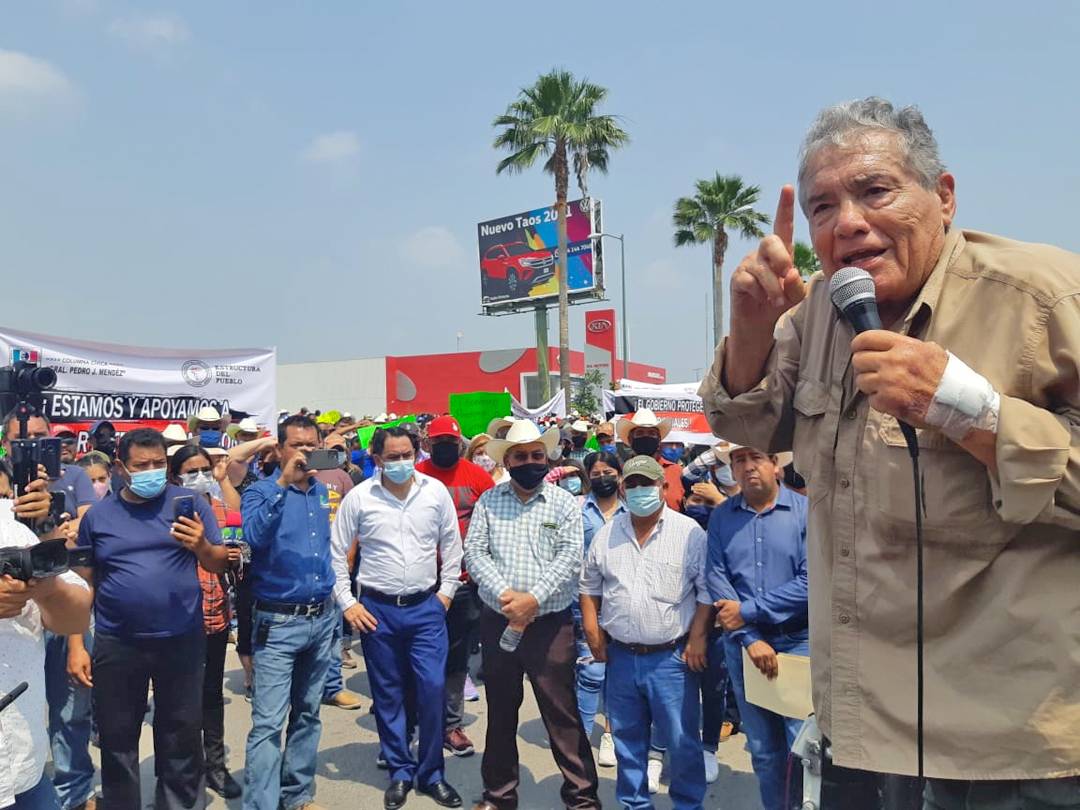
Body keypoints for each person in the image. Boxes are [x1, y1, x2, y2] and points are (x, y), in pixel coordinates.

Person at [698, 96, 1080, 807]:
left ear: (944, 196)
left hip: (1015, 751)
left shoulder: (1044, 298)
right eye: (822, 207)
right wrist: (750, 329)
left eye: (875, 191)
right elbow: (746, 425)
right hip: (867, 729)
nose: (846, 222)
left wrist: (970, 411)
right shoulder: (816, 312)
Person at [76, 428, 228, 810]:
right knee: (117, 737)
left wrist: (201, 545)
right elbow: (84, 584)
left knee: (181, 733)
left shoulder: (190, 504)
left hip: (181, 638)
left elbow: (219, 561)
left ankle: (177, 803)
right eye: (141, 465)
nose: (151, 471)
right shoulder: (98, 517)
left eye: (159, 464)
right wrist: (76, 643)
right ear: (120, 467)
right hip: (117, 642)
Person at [464, 420, 601, 810]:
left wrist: (532, 600)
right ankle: (499, 796)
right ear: (507, 461)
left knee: (562, 714)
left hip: (550, 627)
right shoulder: (489, 501)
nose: (530, 462)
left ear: (547, 458)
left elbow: (569, 558)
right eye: (521, 456)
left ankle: (582, 799)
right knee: (501, 712)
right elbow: (475, 553)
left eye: (536, 455)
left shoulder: (563, 503)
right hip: (499, 621)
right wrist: (508, 599)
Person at [332, 426, 465, 810]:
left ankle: (432, 773)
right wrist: (347, 603)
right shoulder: (360, 498)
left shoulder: (434, 492)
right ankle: (400, 771)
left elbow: (452, 545)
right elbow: (336, 553)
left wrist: (446, 593)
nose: (402, 462)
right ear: (377, 459)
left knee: (432, 688)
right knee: (388, 694)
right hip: (378, 611)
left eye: (407, 454)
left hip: (426, 608)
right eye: (393, 457)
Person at [580, 455, 713, 810]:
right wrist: (592, 629)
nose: (640, 490)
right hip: (621, 655)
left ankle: (688, 805)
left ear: (663, 487)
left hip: (671, 658)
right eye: (633, 484)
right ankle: (634, 803)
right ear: (623, 489)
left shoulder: (689, 533)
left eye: (647, 483)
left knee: (682, 741)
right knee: (626, 740)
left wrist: (698, 637)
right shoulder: (607, 534)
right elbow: (589, 586)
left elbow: (706, 591)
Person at [2, 412, 98, 810]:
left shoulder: (15, 525)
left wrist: (44, 582)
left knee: (70, 717)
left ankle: (77, 791)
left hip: (22, 766)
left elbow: (75, 608)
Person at [241, 414, 337, 810]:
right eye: (297, 445)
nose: (305, 452)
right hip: (278, 622)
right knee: (268, 723)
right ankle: (260, 803)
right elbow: (252, 537)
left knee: (309, 713)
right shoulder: (260, 491)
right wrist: (282, 483)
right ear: (280, 449)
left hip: (322, 618)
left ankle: (296, 794)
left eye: (311, 445)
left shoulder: (320, 491)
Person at [706, 446, 809, 810]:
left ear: (776, 465)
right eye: (739, 460)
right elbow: (716, 578)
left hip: (798, 642)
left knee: (802, 749)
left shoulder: (806, 512)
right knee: (764, 750)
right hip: (744, 647)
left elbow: (811, 582)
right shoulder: (722, 517)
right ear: (732, 469)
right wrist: (750, 637)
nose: (748, 466)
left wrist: (748, 611)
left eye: (757, 458)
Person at [415, 416, 495, 759]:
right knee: (417, 655)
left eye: (451, 441)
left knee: (456, 656)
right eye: (439, 442)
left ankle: (451, 725)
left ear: (460, 444)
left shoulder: (477, 477)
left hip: (463, 583)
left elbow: (494, 523)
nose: (446, 447)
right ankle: (413, 724)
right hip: (419, 582)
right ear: (428, 444)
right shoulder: (416, 473)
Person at [167, 446, 244, 800]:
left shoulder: (221, 510)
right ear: (175, 475)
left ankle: (215, 765)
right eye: (190, 470)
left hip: (214, 615)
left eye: (204, 469)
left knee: (211, 695)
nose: (198, 476)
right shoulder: (164, 513)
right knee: (177, 699)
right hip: (176, 618)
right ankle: (180, 771)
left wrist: (235, 555)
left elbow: (238, 547)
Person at [574, 451, 625, 768]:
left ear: (619, 476)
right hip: (586, 601)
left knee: (617, 675)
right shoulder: (577, 508)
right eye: (596, 473)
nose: (602, 478)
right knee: (591, 672)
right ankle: (579, 738)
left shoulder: (631, 510)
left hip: (622, 602)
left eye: (608, 472)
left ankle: (610, 733)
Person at [615, 410, 683, 510]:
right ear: (630, 439)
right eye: (640, 433)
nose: (646, 437)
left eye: (651, 433)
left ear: (659, 440)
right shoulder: (620, 472)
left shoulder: (676, 471)